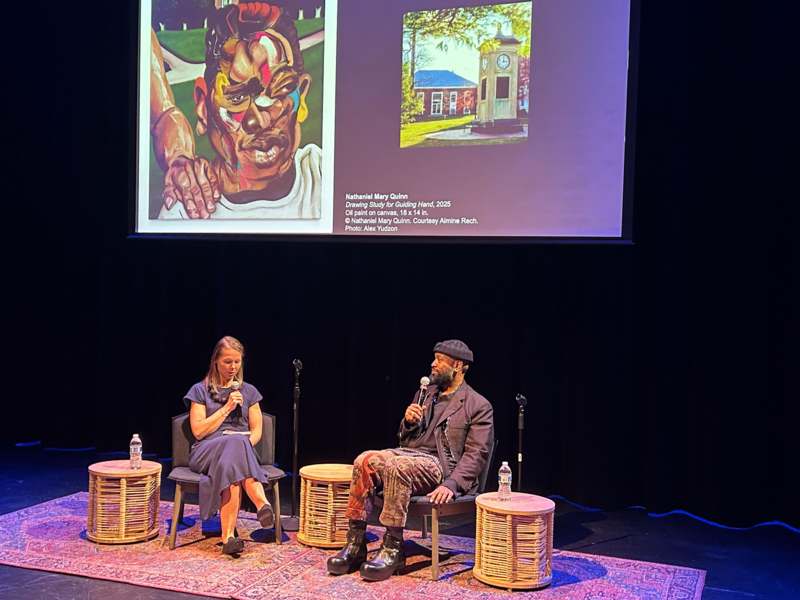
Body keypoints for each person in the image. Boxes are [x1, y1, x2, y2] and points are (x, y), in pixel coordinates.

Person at [327, 340, 494, 581]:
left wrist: (452, 484)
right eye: (433, 358)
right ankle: (355, 544)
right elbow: (404, 439)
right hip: (408, 455)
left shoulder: (477, 405)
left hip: (440, 467)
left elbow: (477, 454)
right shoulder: (426, 394)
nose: (432, 364)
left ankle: (393, 548)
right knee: (363, 460)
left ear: (458, 365)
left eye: (439, 359)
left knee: (398, 466)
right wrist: (408, 422)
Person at [152, 2, 321, 220]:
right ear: (203, 107)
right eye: (236, 97)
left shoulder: (326, 176)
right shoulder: (185, 210)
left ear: (302, 94)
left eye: (279, 91)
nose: (258, 120)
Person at [184, 336, 275, 555]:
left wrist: (242, 446)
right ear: (215, 361)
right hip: (206, 451)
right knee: (235, 443)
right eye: (227, 362)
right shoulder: (200, 390)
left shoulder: (250, 392)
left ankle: (229, 539)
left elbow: (257, 432)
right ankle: (261, 503)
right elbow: (198, 431)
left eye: (237, 361)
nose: (233, 367)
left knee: (233, 463)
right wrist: (226, 408)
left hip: (236, 456)